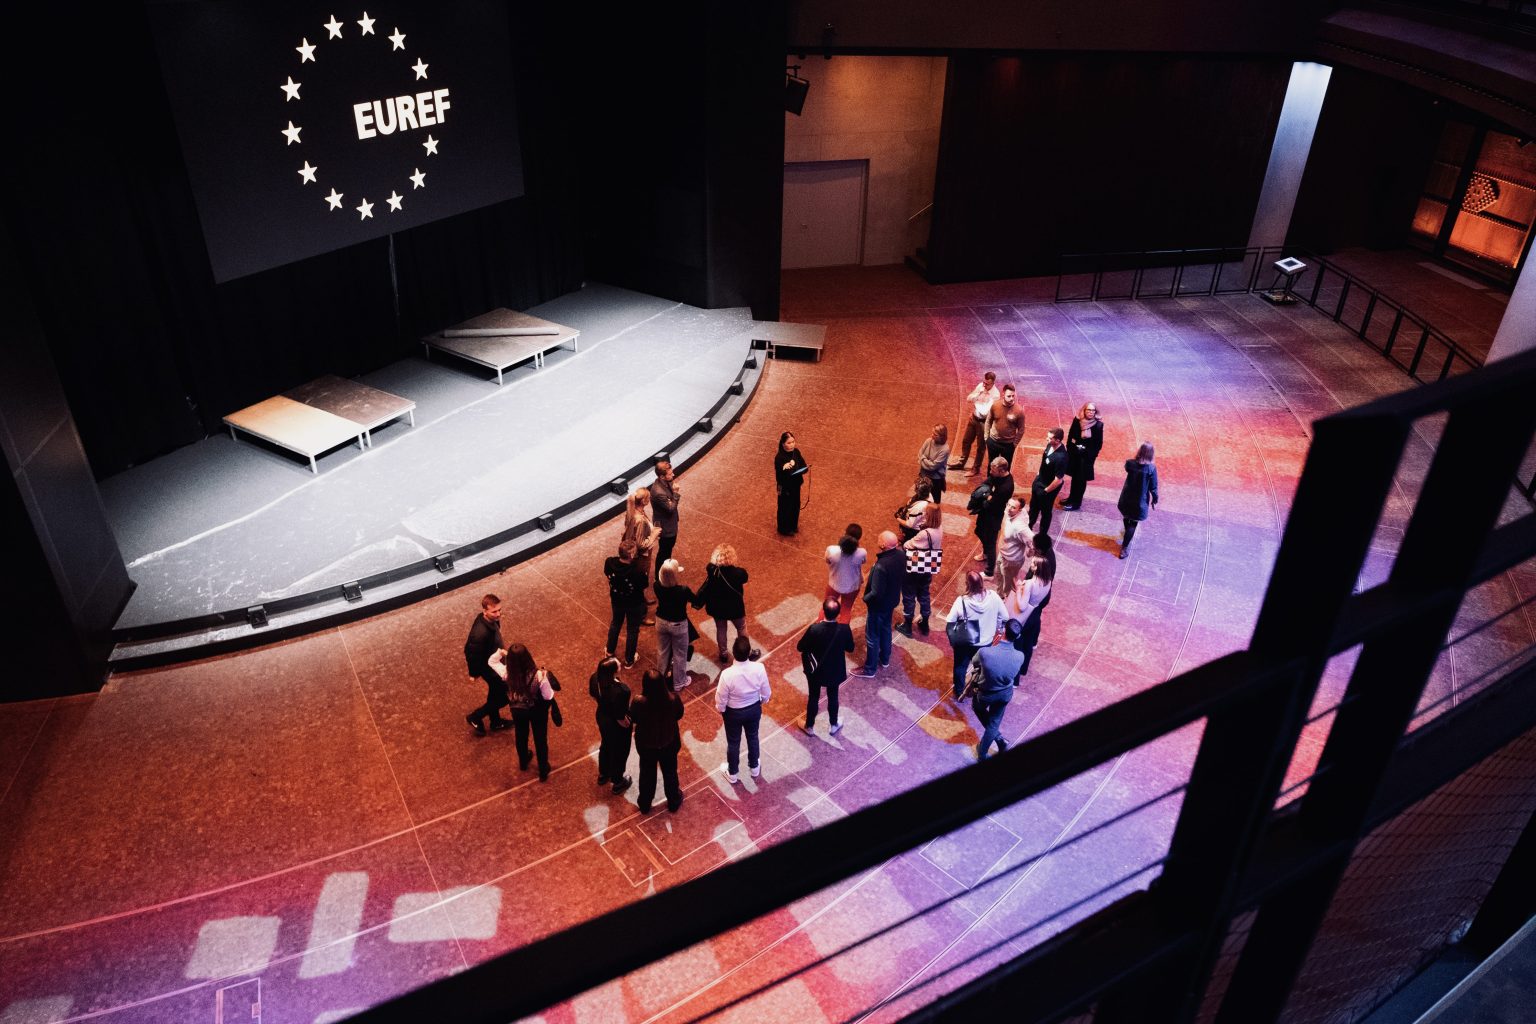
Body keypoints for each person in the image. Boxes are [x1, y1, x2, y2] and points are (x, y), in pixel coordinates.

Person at [715, 636, 771, 784]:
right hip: (753, 709)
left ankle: (732, 773)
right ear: (749, 653)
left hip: (733, 713)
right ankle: (754, 767)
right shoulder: (759, 668)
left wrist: (721, 710)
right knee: (753, 737)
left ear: (733, 652)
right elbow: (766, 692)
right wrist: (762, 701)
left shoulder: (727, 674)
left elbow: (721, 697)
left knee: (733, 742)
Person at [630, 669, 685, 813]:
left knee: (647, 774)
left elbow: (633, 718)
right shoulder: (673, 699)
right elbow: (679, 714)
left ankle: (645, 804)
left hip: (647, 745)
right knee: (670, 772)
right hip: (669, 742)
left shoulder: (638, 701)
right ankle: (673, 801)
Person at [945, 570, 1006, 698]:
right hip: (985, 643)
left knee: (960, 667)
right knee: (981, 668)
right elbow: (1005, 616)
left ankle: (959, 691)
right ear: (982, 582)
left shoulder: (961, 601)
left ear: (967, 585)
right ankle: (975, 689)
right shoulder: (994, 597)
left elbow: (950, 620)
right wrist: (998, 629)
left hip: (966, 641)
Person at [799, 597, 855, 735]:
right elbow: (850, 648)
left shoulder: (814, 629)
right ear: (838, 613)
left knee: (813, 696)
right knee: (833, 696)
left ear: (823, 611)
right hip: (835, 670)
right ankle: (834, 724)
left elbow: (800, 647)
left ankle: (809, 726)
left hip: (816, 671)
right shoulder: (844, 629)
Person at [503, 643, 558, 781]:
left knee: (520, 734)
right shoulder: (539, 675)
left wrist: (500, 653)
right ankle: (543, 769)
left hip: (517, 710)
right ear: (528, 657)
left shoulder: (506, 673)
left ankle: (523, 762)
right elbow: (548, 696)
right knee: (540, 739)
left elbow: (491, 662)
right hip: (536, 710)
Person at [972, 620, 1026, 759]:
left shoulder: (985, 652)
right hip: (1005, 694)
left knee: (978, 708)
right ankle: (994, 744)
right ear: (1018, 637)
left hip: (986, 693)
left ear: (1002, 632)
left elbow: (975, 662)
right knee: (994, 722)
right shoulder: (1020, 656)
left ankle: (985, 751)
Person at [856, 531, 905, 676]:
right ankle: (885, 659)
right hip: (891, 601)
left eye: (879, 538)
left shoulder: (881, 565)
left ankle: (869, 669)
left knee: (872, 636)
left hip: (878, 606)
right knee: (885, 629)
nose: (877, 539)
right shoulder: (901, 555)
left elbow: (876, 592)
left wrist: (865, 599)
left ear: (883, 545)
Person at [464, 594, 510, 735]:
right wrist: (474, 673)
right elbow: (470, 652)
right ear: (485, 611)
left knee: (494, 694)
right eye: (494, 611)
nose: (498, 614)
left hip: (496, 663)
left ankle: (495, 722)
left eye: (499, 610)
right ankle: (476, 716)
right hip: (490, 669)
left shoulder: (491, 621)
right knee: (504, 697)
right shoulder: (479, 633)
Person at [1005, 551, 1055, 679]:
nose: (1031, 565)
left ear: (1038, 568)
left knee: (1018, 646)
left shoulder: (1029, 584)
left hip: (1025, 617)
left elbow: (1022, 606)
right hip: (1035, 614)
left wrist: (1018, 589)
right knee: (1028, 645)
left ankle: (1015, 679)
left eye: (1033, 564)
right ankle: (1024, 670)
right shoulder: (1048, 581)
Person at [589, 656, 633, 794]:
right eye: (617, 664)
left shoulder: (595, 678)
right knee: (620, 751)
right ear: (613, 672)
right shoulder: (622, 691)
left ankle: (604, 774)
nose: (620, 663)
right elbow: (620, 717)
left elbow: (593, 695)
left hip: (602, 717)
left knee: (606, 745)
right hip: (615, 724)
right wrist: (627, 724)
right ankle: (618, 781)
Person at [699, 543, 749, 664]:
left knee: (721, 629)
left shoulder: (712, 570)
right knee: (741, 627)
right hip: (735, 608)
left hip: (718, 608)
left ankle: (723, 654)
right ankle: (745, 651)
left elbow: (710, 567)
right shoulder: (739, 573)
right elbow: (745, 578)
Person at [898, 504, 943, 636]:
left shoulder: (925, 533)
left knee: (909, 594)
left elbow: (907, 545)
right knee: (924, 593)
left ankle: (907, 625)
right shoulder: (939, 528)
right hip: (929, 565)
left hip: (916, 565)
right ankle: (924, 623)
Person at [604, 541, 649, 668]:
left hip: (617, 601)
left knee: (616, 624)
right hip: (634, 603)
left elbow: (607, 575)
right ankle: (629, 660)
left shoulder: (609, 562)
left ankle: (609, 651)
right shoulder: (637, 570)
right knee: (632, 630)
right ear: (631, 554)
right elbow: (644, 585)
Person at [654, 559, 697, 690]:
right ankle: (679, 682)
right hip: (678, 624)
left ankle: (660, 680)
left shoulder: (656, 586)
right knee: (680, 653)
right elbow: (696, 601)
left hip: (660, 621)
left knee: (662, 651)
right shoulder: (683, 590)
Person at [970, 456, 1015, 577]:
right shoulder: (997, 476)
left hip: (993, 517)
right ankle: (985, 553)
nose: (990, 472)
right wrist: (988, 495)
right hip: (986, 513)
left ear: (1001, 471)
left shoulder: (1006, 486)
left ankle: (989, 572)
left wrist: (985, 496)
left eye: (993, 471)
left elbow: (989, 504)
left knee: (990, 542)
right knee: (979, 531)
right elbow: (986, 483)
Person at [1118, 442, 1160, 559]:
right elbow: (1153, 486)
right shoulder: (1151, 468)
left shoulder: (1130, 464)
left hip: (1126, 497)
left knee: (1127, 517)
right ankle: (1124, 548)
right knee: (1133, 523)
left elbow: (1127, 468)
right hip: (1139, 501)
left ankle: (1127, 536)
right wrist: (1155, 499)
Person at [952, 371, 999, 475]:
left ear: (993, 383)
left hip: (983, 423)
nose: (984, 385)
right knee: (966, 441)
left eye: (987, 384)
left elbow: (985, 412)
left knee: (981, 447)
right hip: (973, 418)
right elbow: (969, 398)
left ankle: (975, 469)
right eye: (984, 382)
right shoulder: (980, 387)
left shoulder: (995, 395)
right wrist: (979, 394)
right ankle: (961, 462)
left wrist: (976, 405)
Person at [1060, 402, 1103, 511]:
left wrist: (1087, 453)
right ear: (1084, 410)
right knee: (1075, 479)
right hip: (1075, 455)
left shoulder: (1098, 425)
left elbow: (1098, 444)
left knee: (1081, 481)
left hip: (1086, 459)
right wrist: (1071, 449)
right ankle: (1071, 498)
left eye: (1093, 411)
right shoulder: (1077, 421)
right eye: (1088, 410)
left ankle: (1076, 503)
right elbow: (1071, 436)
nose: (1091, 412)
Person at [622, 488, 658, 612]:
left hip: (634, 555)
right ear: (643, 501)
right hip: (642, 556)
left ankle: (641, 598)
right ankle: (640, 608)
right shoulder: (640, 520)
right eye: (648, 498)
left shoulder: (632, 511)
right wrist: (653, 535)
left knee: (639, 578)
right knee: (642, 578)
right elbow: (641, 544)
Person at [1028, 428, 1068, 538]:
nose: (1047, 439)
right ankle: (1028, 527)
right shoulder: (1050, 445)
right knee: (1033, 507)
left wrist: (1046, 491)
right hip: (1039, 482)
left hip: (1047, 488)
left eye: (1050, 438)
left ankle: (1042, 535)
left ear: (1058, 440)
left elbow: (1058, 480)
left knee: (1045, 512)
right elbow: (1044, 461)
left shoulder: (1062, 458)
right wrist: (1038, 475)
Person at [824, 525, 866, 625]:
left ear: (844, 533)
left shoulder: (832, 550)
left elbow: (827, 561)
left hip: (834, 584)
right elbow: (862, 562)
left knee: (826, 607)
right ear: (859, 538)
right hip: (852, 587)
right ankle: (842, 635)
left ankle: (821, 629)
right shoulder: (862, 553)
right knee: (846, 610)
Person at [649, 460, 682, 578]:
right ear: (662, 476)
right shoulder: (658, 492)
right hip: (666, 526)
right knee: (664, 551)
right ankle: (659, 576)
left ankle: (669, 568)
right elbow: (671, 508)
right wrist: (676, 494)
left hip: (670, 523)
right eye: (670, 474)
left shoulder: (664, 482)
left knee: (668, 549)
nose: (673, 475)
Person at [995, 497, 1032, 596]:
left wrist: (1029, 552)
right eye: (1008, 505)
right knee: (999, 575)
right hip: (1003, 554)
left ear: (1019, 510)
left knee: (1008, 584)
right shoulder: (1009, 512)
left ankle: (1007, 600)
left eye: (1013, 507)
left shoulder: (1019, 526)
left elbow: (1032, 540)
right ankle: (999, 595)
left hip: (1011, 560)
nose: (1008, 508)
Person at [984, 384, 1026, 470]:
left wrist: (1014, 444)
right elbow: (988, 421)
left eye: (1013, 396)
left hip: (1008, 445)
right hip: (993, 442)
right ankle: (990, 482)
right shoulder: (995, 405)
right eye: (1009, 396)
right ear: (1003, 394)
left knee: (1005, 469)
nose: (1011, 398)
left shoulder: (1019, 410)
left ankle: (1003, 483)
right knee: (991, 465)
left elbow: (1021, 429)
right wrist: (986, 437)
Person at [774, 431, 808, 535]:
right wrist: (783, 469)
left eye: (793, 442)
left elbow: (804, 466)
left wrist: (801, 470)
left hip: (795, 484)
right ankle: (784, 529)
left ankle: (793, 526)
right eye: (789, 443)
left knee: (795, 505)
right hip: (785, 487)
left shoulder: (796, 452)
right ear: (783, 444)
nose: (792, 444)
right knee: (785, 507)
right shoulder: (779, 457)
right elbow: (779, 477)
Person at [918, 424, 950, 505]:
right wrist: (925, 461)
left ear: (942, 436)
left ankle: (933, 516)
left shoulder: (945, 449)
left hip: (935, 480)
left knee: (934, 501)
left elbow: (933, 466)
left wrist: (923, 459)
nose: (932, 436)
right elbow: (919, 453)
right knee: (921, 497)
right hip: (923, 475)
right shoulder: (928, 441)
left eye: (935, 435)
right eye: (932, 433)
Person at [895, 477, 933, 543]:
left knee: (908, 545)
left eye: (916, 488)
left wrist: (897, 518)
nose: (915, 489)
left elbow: (909, 525)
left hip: (913, 532)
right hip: (918, 526)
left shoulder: (919, 507)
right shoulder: (929, 495)